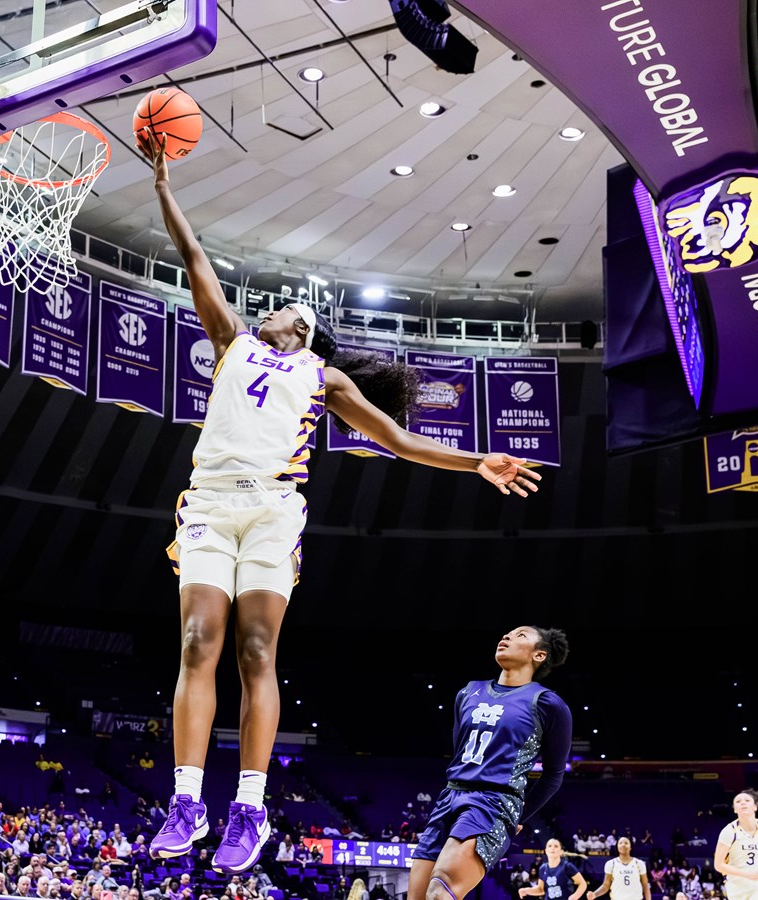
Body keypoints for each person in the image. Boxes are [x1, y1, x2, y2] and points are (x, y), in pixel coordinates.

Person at [137, 128, 542, 878]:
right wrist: (164, 186)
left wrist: (474, 461)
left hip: (272, 510)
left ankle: (249, 808)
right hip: (210, 506)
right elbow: (194, 259)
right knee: (197, 643)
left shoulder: (325, 379)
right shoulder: (231, 343)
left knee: (257, 652)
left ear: (303, 330)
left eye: (284, 309)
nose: (268, 310)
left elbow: (397, 440)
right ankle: (186, 800)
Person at [406, 627, 573, 900]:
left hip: (493, 801)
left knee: (440, 892)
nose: (506, 637)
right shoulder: (468, 692)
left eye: (520, 635)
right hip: (449, 796)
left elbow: (553, 775)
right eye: (507, 634)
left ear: (539, 655)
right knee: (416, 897)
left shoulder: (548, 704)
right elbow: (459, 750)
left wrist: (520, 815)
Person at [520, 839, 586, 900]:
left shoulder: (567, 866)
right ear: (546, 851)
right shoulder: (543, 868)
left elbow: (582, 884)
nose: (552, 848)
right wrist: (526, 890)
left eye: (556, 846)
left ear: (561, 852)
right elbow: (540, 890)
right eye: (549, 846)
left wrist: (574, 897)